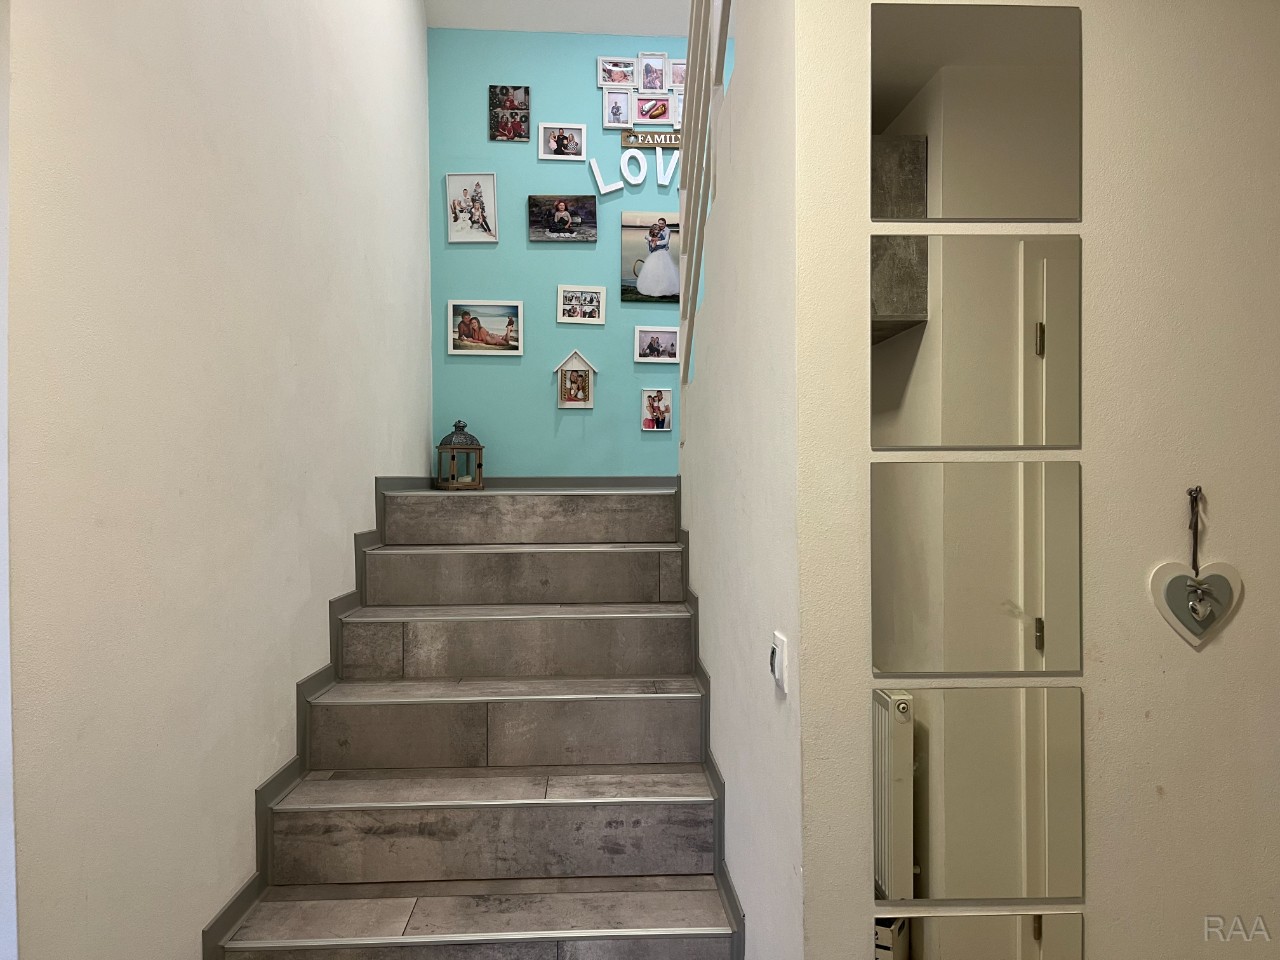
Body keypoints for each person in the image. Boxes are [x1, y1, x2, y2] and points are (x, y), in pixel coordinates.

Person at [635, 221, 679, 298]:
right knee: (654, 271)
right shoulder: (649, 239)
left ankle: (665, 288)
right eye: (655, 230)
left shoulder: (661, 236)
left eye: (658, 230)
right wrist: (653, 245)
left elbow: (665, 245)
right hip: (654, 256)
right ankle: (654, 288)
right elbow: (651, 250)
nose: (657, 231)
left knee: (664, 271)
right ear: (652, 230)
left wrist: (657, 242)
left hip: (663, 255)